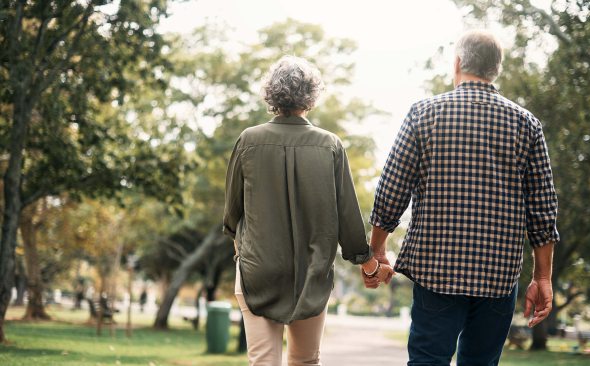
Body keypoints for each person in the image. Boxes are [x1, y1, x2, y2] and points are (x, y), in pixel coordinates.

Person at [367, 30, 559, 365]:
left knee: (428, 360)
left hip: (436, 270)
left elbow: (392, 189)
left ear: (457, 63)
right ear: (495, 69)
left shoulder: (423, 114)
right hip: (498, 276)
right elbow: (543, 211)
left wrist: (377, 249)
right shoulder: (526, 124)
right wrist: (542, 277)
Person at [223, 55, 394, 366]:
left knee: (262, 361)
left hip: (256, 270)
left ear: (270, 94)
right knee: (305, 361)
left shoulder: (248, 140)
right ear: (312, 96)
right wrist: (368, 262)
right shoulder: (330, 145)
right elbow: (348, 220)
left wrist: (243, 250)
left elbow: (231, 216)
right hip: (312, 273)